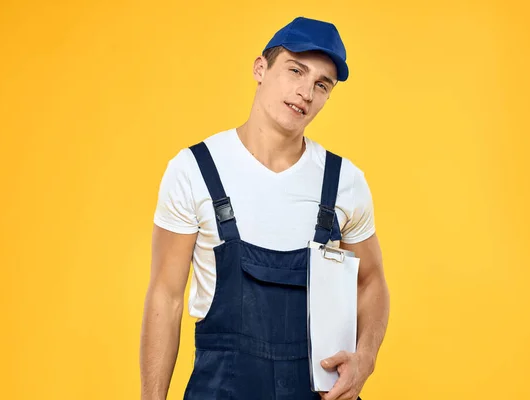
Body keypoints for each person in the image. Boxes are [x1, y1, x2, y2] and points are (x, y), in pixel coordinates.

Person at [140, 16, 390, 400]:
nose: (305, 92)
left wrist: (365, 359)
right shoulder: (194, 170)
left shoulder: (344, 181)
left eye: (321, 85)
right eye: (295, 71)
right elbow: (166, 296)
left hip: (317, 391)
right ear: (261, 68)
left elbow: (372, 281)